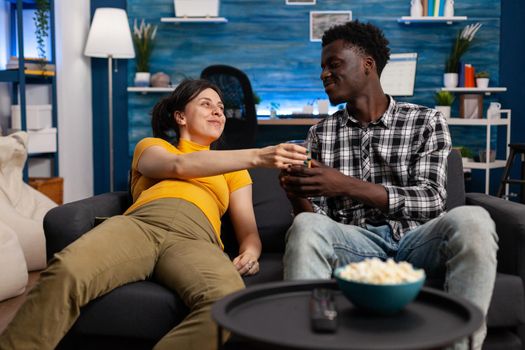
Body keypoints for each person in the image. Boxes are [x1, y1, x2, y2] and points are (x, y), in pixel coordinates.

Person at [0, 79, 308, 350]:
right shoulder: (153, 146)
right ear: (180, 117)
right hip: (141, 225)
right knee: (66, 270)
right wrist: (258, 154)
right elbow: (178, 167)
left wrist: (251, 252)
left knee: (225, 302)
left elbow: (248, 232)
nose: (218, 112)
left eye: (221, 106)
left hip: (196, 239)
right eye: (206, 104)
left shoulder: (234, 170)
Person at [280, 20, 498, 350]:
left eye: (334, 64)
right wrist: (297, 195)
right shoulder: (320, 134)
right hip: (355, 245)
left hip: (417, 240)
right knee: (305, 226)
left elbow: (432, 200)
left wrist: (344, 184)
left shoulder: (426, 121)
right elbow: (316, 222)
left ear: (368, 64)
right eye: (322, 67)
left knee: (474, 220)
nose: (324, 74)